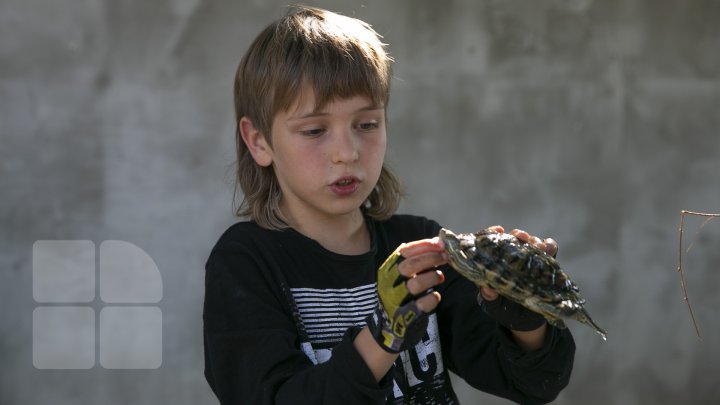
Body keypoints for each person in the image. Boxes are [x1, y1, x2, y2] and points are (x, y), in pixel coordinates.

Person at [203, 5, 575, 405]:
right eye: (314, 130)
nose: (347, 152)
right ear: (258, 141)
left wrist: (526, 316)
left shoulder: (419, 247)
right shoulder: (245, 262)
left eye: (367, 124)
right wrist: (383, 335)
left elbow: (535, 383)